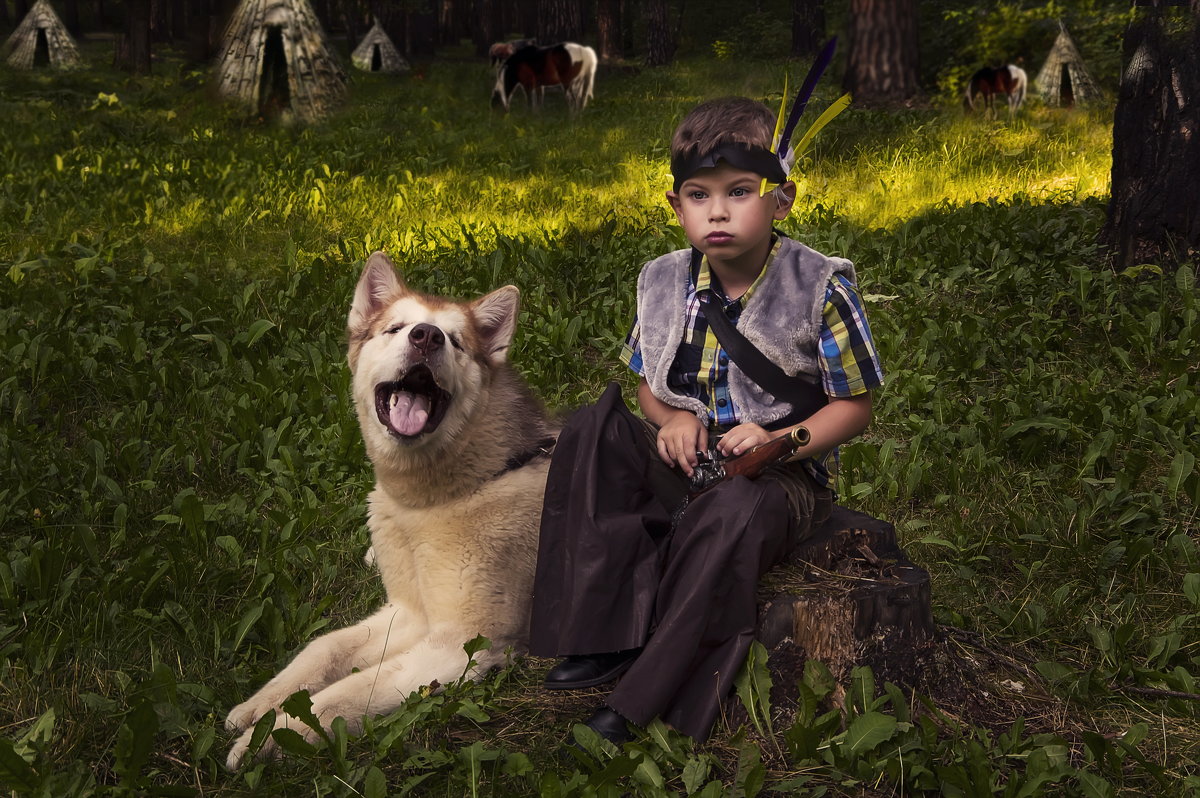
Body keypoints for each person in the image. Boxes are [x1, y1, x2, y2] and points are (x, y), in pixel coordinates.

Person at [527, 94, 885, 746]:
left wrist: (786, 439)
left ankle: (648, 694)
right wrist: (670, 419)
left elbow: (855, 407)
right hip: (691, 456)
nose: (717, 211)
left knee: (736, 510)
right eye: (698, 194)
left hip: (779, 474)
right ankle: (603, 635)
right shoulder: (662, 281)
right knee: (593, 426)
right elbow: (647, 384)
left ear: (783, 199)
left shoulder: (820, 286)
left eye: (740, 191)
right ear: (675, 205)